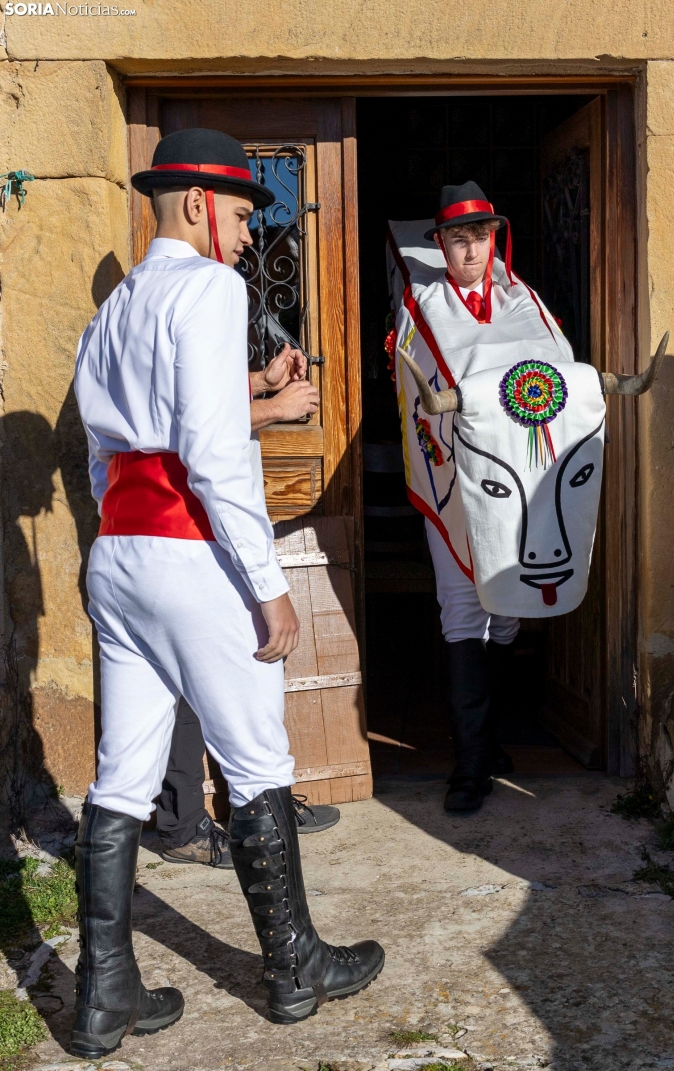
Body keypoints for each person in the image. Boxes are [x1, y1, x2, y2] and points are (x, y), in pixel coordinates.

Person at [72, 127, 384, 1058]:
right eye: (246, 216)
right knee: (256, 761)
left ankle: (103, 996)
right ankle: (294, 969)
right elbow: (212, 451)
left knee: (120, 772)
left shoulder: (119, 303)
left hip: (121, 550)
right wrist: (267, 586)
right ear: (202, 204)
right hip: (193, 555)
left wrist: (129, 530)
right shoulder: (212, 287)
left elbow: (106, 450)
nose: (251, 236)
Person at [388, 181, 574, 814]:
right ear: (440, 245)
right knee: (464, 608)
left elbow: (558, 373)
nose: (471, 252)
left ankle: (491, 744)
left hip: (521, 481)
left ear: (496, 239)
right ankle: (469, 766)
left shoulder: (525, 301)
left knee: (510, 609)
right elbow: (418, 390)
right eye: (458, 240)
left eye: (480, 238)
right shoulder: (423, 305)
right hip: (457, 480)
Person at [157, 354, 339, 870]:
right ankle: (185, 825)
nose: (237, 264)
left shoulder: (194, 297)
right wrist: (275, 407)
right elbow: (186, 418)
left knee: (234, 669)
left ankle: (259, 809)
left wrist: (260, 382)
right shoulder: (192, 294)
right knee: (193, 680)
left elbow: (202, 391)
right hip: (187, 524)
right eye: (233, 261)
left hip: (204, 525)